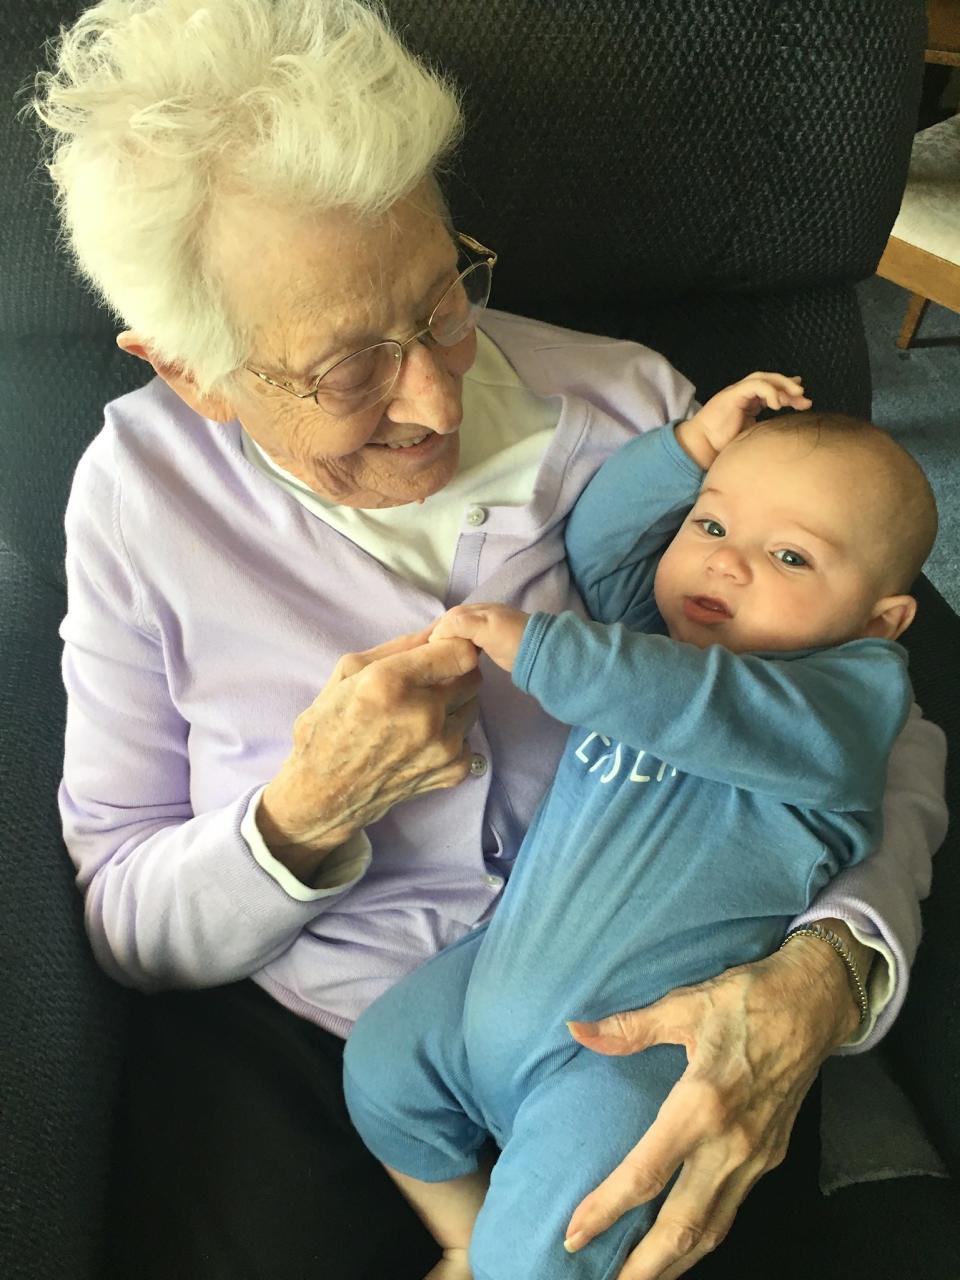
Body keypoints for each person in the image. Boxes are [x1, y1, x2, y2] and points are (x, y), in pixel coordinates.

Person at [30, 2, 947, 1278]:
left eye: (444, 295)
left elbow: (873, 726)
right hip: (334, 1034)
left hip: (665, 1010)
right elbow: (123, 910)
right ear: (192, 368)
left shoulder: (640, 412)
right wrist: (301, 813)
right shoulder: (137, 498)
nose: (435, 390)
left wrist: (834, 966)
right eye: (348, 366)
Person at [342, 376, 938, 1280]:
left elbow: (697, 704)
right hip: (490, 984)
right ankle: (459, 1234)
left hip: (635, 1060)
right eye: (710, 526)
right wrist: (690, 448)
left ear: (879, 623)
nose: (725, 563)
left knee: (550, 1248)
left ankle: (500, 1253)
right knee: (381, 1069)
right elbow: (603, 542)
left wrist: (547, 649)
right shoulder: (656, 639)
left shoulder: (846, 706)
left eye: (789, 558)